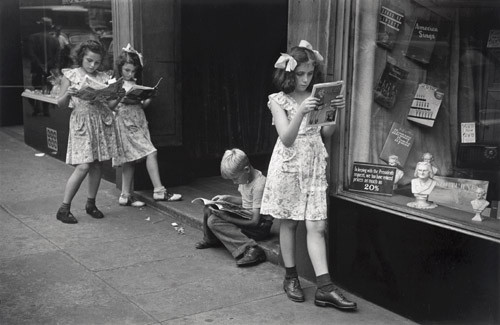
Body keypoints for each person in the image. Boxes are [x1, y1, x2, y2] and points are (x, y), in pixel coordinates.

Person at [260, 40, 356, 310]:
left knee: (317, 225)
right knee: (289, 222)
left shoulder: (317, 95)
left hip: (313, 163)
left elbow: (326, 134)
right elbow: (286, 138)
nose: (305, 79)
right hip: (289, 163)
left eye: (309, 74)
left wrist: (332, 111)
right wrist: (301, 111)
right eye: (299, 74)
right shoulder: (277, 100)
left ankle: (325, 288)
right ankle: (291, 277)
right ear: (288, 73)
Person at [109, 44, 181, 206]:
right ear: (120, 68)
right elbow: (110, 106)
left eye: (133, 71)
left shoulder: (134, 83)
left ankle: (125, 195)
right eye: (127, 70)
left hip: (138, 121)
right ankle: (159, 191)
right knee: (151, 152)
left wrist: (150, 96)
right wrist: (121, 96)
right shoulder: (115, 83)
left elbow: (141, 105)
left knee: (130, 159)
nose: (130, 74)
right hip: (125, 123)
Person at [55, 40, 118, 224]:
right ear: (81, 57)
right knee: (83, 166)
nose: (93, 65)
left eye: (97, 62)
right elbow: (60, 103)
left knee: (97, 164)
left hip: (99, 122)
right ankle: (64, 208)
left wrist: (119, 94)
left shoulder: (103, 76)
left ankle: (91, 204)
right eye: (89, 60)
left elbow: (111, 105)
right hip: (81, 123)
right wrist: (69, 93)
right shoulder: (71, 75)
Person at [194, 148, 273, 267]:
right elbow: (247, 201)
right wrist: (227, 198)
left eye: (235, 179)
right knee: (209, 209)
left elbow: (255, 221)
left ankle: (251, 249)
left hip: (260, 226)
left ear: (246, 169)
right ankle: (211, 239)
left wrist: (228, 218)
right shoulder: (245, 179)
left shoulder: (259, 185)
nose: (235, 182)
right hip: (247, 217)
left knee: (214, 221)